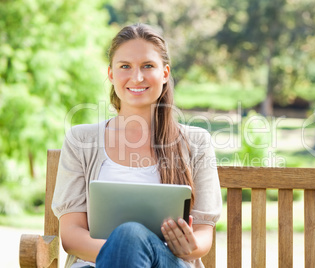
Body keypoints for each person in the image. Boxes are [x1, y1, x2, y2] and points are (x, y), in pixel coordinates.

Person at [52, 23, 222, 268]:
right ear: (111, 74)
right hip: (94, 264)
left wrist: (192, 246)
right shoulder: (81, 140)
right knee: (129, 236)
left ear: (165, 73)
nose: (137, 77)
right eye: (125, 67)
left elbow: (205, 234)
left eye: (148, 66)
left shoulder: (196, 143)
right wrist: (124, 250)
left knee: (130, 235)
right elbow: (71, 236)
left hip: (167, 263)